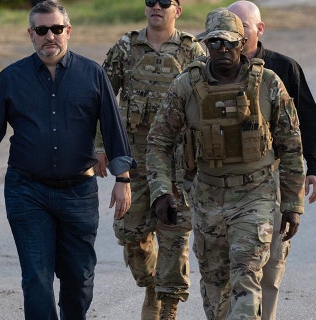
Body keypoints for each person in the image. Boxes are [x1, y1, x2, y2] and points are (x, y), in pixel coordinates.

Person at [146, 8, 306, 319]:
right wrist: (161, 190)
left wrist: (292, 203)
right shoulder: (186, 86)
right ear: (206, 45)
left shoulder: (268, 83)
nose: (222, 50)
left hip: (255, 196)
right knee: (215, 286)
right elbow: (159, 141)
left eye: (229, 43)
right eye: (215, 43)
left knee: (246, 275)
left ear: (243, 42)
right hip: (207, 198)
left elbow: (291, 145)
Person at [0, 1, 135, 319]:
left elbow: (113, 129)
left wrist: (123, 180)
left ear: (68, 31)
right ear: (31, 34)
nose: (49, 36)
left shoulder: (92, 74)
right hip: (27, 191)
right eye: (41, 30)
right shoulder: (11, 78)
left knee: (79, 280)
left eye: (56, 29)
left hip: (78, 193)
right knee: (36, 277)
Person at [97, 0, 205, 318]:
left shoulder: (192, 51)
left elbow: (205, 103)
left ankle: (167, 306)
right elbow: (102, 99)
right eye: (150, 1)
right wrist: (101, 146)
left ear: (178, 10)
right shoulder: (126, 48)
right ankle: (152, 285)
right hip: (134, 159)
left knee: (174, 235)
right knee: (130, 234)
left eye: (164, 2)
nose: (156, 6)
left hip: (177, 161)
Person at [226, 1, 316, 319]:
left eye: (244, 25)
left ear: (260, 28)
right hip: (226, 184)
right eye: (232, 24)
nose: (238, 31)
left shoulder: (283, 69)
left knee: (270, 266)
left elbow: (308, 123)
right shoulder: (211, 69)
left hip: (275, 182)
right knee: (231, 265)